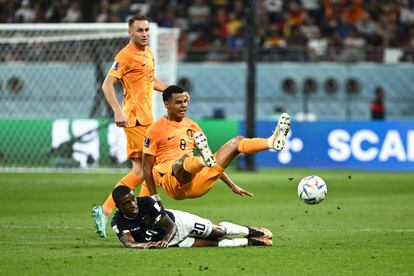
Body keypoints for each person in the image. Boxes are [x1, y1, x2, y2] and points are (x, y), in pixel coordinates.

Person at [140, 85, 291, 206]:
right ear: (167, 104)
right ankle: (199, 161)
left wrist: (231, 185)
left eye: (185, 101)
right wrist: (153, 197)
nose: (184, 106)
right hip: (173, 183)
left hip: (198, 181)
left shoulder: (192, 126)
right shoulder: (155, 129)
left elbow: (210, 160)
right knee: (183, 161)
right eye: (178, 102)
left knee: (237, 142)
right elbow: (146, 168)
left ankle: (271, 142)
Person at [92, 15, 169, 238]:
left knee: (145, 170)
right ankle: (112, 210)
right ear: (130, 32)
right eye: (140, 30)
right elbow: (107, 84)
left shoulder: (148, 52)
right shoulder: (125, 55)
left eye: (146, 30)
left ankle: (136, 213)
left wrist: (172, 90)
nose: (144, 33)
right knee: (146, 169)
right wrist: (117, 110)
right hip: (135, 119)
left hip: (147, 119)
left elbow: (150, 80)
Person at [111, 185, 273, 248]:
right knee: (213, 244)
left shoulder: (146, 203)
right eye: (127, 203)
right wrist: (143, 245)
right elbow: (128, 243)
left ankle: (249, 231)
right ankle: (250, 241)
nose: (133, 204)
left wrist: (164, 242)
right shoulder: (118, 221)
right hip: (171, 242)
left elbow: (171, 226)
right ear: (119, 206)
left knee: (218, 232)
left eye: (133, 199)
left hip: (180, 224)